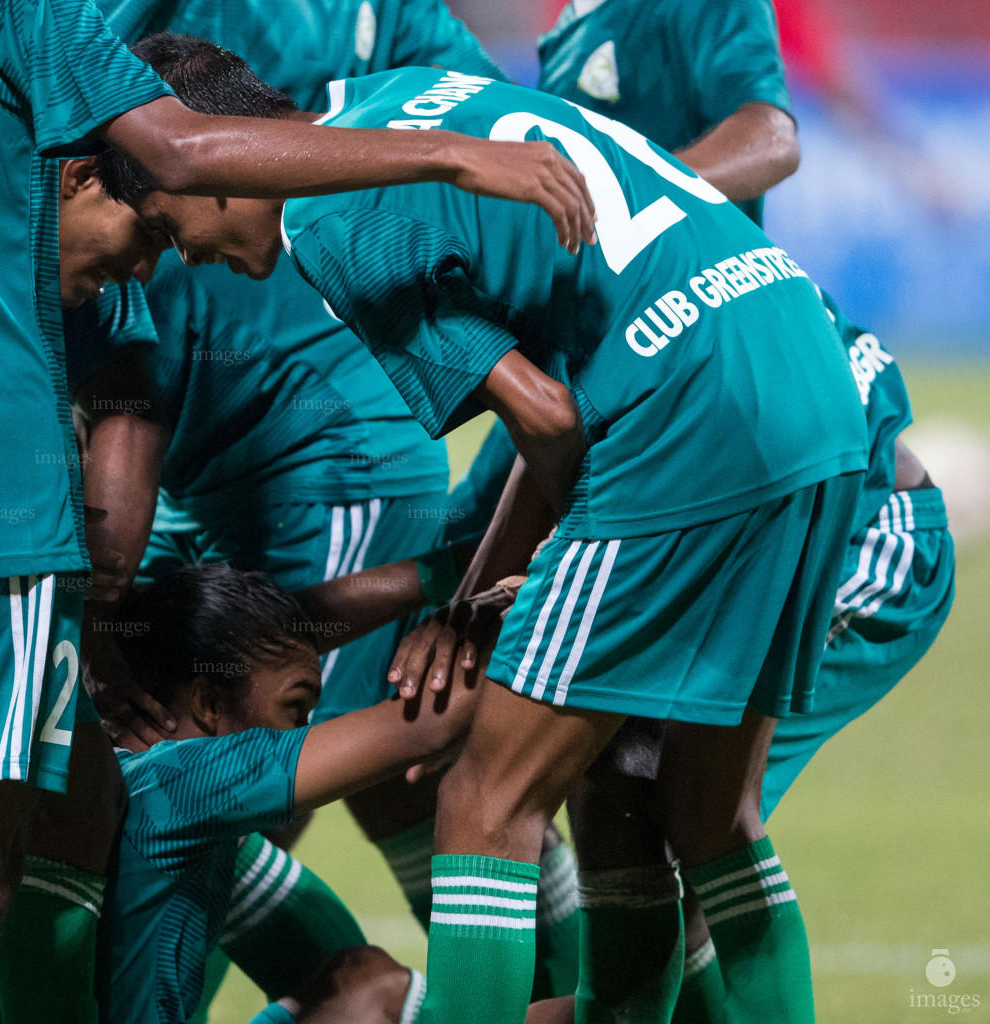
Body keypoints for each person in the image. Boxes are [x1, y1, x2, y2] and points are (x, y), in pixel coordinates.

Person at [0, 1, 597, 1019]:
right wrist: (453, 159)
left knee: (82, 811)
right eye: (154, 245)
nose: (151, 273)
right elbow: (169, 143)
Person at [96, 33, 871, 1023]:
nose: (180, 254)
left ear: (213, 158)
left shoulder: (325, 219)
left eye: (166, 220)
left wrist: (484, 598)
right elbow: (542, 406)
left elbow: (546, 418)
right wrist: (480, 591)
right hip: (803, 374)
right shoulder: (392, 101)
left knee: (483, 803)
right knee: (696, 812)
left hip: (682, 410)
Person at [535, 3, 957, 1020]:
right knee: (616, 789)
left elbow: (773, 131)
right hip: (710, 507)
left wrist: (633, 213)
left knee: (688, 802)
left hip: (846, 527)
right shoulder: (564, 35)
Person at [98, 563, 573, 1024]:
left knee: (362, 980)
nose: (304, 731)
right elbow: (430, 728)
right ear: (209, 703)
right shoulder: (183, 781)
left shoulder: (128, 771)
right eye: (295, 706)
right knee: (380, 994)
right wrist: (557, 591)